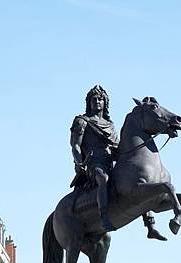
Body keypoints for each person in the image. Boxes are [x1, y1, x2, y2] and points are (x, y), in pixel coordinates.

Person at [70, 85, 166, 239]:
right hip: (94, 163)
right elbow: (75, 145)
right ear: (89, 102)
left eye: (100, 99)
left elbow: (116, 146)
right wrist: (80, 162)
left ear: (105, 102)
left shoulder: (109, 125)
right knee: (103, 179)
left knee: (137, 182)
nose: (97, 102)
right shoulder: (82, 121)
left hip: (109, 161)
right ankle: (104, 217)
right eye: (94, 99)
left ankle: (150, 225)